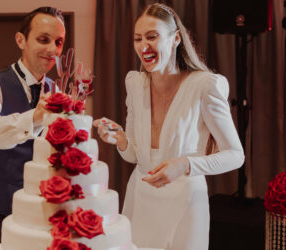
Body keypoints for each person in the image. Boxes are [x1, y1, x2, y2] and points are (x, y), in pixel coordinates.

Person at [93, 3, 244, 250]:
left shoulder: (204, 86)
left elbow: (236, 156)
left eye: (152, 37)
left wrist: (186, 165)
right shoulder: (135, 83)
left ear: (175, 39)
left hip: (185, 203)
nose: (144, 47)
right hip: (139, 199)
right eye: (137, 38)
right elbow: (134, 154)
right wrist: (120, 138)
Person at [0, 7, 65, 249]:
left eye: (58, 42)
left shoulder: (57, 92)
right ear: (21, 40)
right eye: (43, 39)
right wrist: (35, 117)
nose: (52, 49)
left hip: (36, 222)